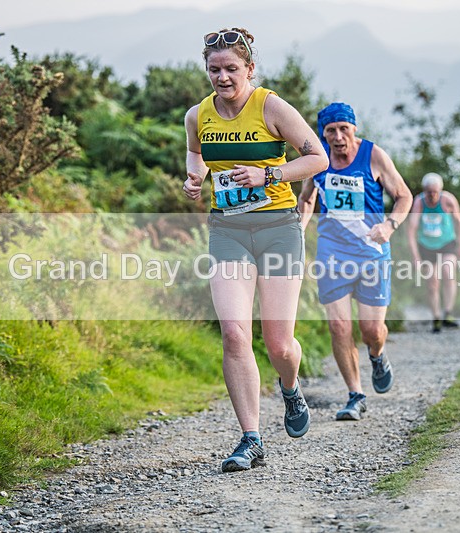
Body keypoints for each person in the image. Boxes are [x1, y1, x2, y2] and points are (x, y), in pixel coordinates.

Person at [182, 28, 328, 472]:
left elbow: (317, 158)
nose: (222, 77)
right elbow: (195, 153)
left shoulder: (271, 107)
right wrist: (195, 177)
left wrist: (269, 174)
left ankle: (290, 386)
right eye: (214, 69)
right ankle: (251, 438)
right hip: (227, 230)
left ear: (249, 68)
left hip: (278, 228)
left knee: (280, 344)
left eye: (231, 68)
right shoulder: (198, 115)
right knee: (234, 333)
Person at [298, 103, 412, 421]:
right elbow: (307, 197)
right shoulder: (318, 159)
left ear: (354, 129)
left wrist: (389, 225)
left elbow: (404, 195)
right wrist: (299, 229)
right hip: (332, 253)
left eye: (343, 129)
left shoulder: (373, 155)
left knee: (371, 330)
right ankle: (355, 395)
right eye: (330, 131)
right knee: (338, 326)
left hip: (372, 253)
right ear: (322, 134)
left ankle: (377, 354)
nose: (338, 137)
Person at [406, 172, 460, 333]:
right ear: (424, 191)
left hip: (447, 243)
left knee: (448, 272)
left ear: (440, 190)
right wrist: (415, 257)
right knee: (432, 283)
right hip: (426, 246)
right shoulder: (419, 203)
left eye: (435, 192)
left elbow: (459, 222)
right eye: (429, 192)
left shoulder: (448, 200)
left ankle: (448, 312)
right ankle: (436, 317)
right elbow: (411, 230)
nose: (432, 195)